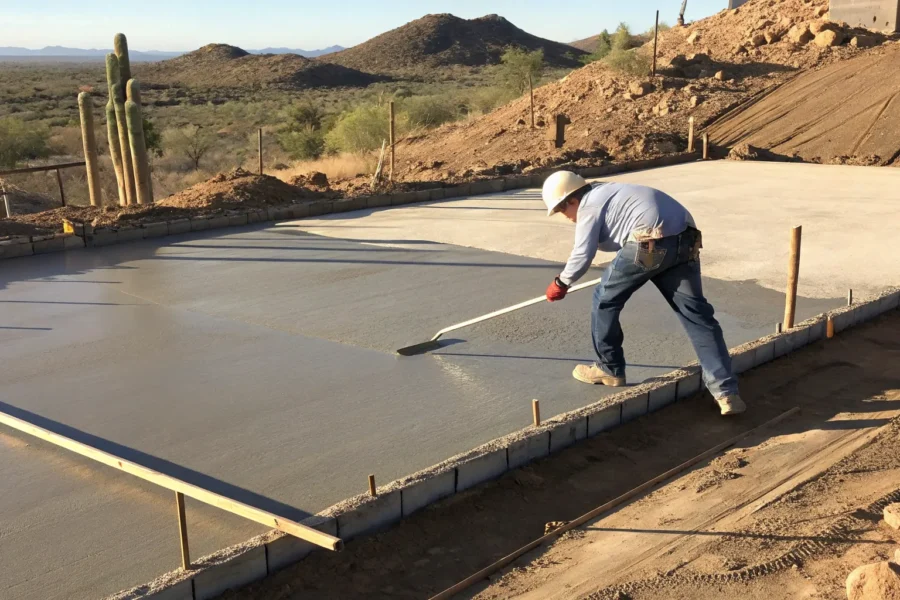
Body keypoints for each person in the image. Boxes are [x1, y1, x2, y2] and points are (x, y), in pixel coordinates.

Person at [541, 171, 746, 416]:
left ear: (573, 200)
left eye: (563, 210)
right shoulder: (609, 191)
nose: (566, 217)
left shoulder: (589, 205)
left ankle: (609, 368)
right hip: (686, 240)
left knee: (604, 299)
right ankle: (726, 392)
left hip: (649, 244)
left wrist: (562, 282)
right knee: (697, 316)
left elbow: (583, 253)